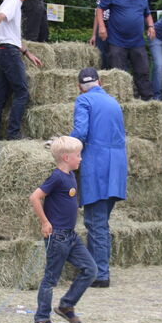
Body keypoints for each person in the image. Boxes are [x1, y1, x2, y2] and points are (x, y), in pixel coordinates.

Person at [29, 136, 97, 323]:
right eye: (78, 155)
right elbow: (34, 197)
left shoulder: (70, 176)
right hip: (57, 237)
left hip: (71, 236)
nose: (81, 158)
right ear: (67, 158)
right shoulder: (57, 177)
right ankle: (42, 318)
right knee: (50, 279)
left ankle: (66, 305)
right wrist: (45, 222)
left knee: (91, 270)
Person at [69, 67, 127, 288]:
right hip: (117, 168)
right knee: (101, 222)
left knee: (95, 223)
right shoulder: (113, 102)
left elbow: (80, 133)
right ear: (99, 82)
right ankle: (97, 269)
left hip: (97, 167)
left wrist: (62, 145)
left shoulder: (83, 100)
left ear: (79, 87)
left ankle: (100, 274)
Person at [0, 0, 43, 140]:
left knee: (0, 96)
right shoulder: (13, 2)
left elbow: (12, 37)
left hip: (3, 51)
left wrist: (28, 54)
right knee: (22, 92)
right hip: (9, 54)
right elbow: (2, 15)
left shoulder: (12, 2)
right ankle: (14, 133)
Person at [96, 0, 155, 100]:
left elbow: (147, 13)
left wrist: (151, 26)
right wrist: (102, 27)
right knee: (119, 73)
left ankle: (148, 100)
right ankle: (120, 99)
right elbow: (100, 8)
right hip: (117, 41)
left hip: (137, 42)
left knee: (143, 71)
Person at [88, 0, 127, 69]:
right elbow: (98, 10)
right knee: (102, 58)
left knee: (117, 58)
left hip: (119, 27)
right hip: (103, 25)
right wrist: (94, 34)